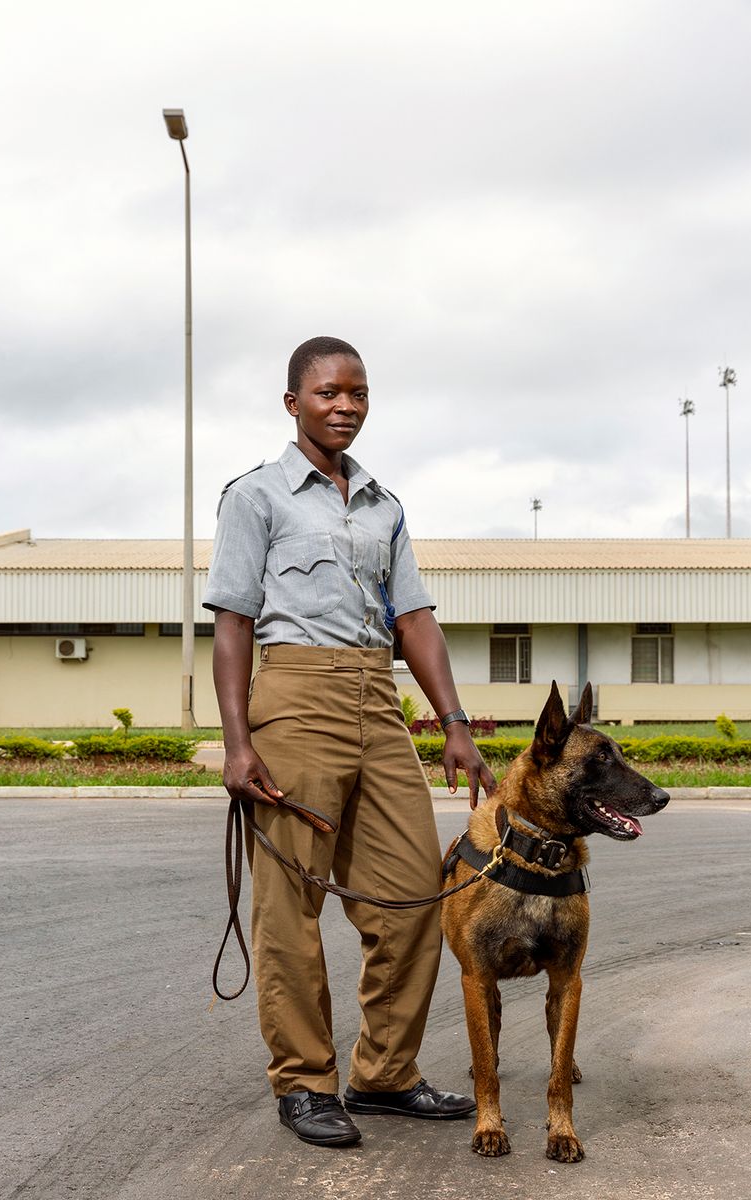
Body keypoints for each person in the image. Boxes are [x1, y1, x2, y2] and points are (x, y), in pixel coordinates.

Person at [204, 336, 496, 1148]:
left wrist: (454, 723)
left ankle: (385, 1075)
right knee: (290, 907)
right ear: (292, 402)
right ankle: (304, 1082)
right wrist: (237, 742)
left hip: (378, 699)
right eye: (328, 392)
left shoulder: (383, 504)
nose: (345, 405)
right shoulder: (255, 497)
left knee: (414, 894)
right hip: (295, 698)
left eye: (357, 393)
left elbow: (415, 619)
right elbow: (232, 624)